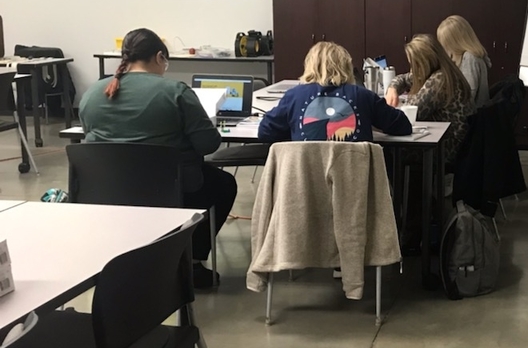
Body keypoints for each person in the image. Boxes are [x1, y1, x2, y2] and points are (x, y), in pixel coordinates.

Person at [78, 28, 236, 288]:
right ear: (160, 57)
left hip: (106, 191)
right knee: (223, 184)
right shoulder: (175, 92)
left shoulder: (93, 93)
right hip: (168, 190)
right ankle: (191, 264)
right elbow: (208, 144)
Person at [258, 41, 412, 143]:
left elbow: (265, 131)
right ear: (346, 66)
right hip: (354, 179)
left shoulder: (294, 97)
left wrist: (296, 127)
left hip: (307, 179)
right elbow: (403, 126)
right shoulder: (364, 96)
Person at [385, 34, 473, 161]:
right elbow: (403, 78)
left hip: (449, 147)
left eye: (414, 65)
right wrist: (392, 89)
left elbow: (410, 115)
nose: (412, 70)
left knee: (388, 150)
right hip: (454, 142)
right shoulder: (445, 71)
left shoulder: (440, 80)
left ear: (424, 63)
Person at [436, 15, 491, 108]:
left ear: (455, 42)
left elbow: (468, 96)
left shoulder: (470, 58)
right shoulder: (469, 57)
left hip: (472, 115)